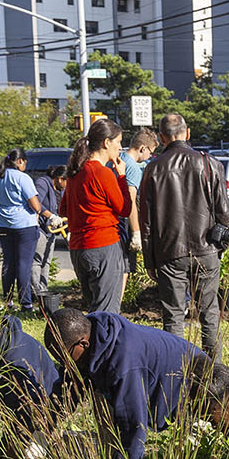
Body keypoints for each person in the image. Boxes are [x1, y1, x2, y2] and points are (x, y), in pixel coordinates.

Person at [44, 307, 208, 459]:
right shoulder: (91, 331)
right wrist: (42, 429)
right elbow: (68, 388)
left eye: (63, 357)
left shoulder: (123, 363)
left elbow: (133, 423)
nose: (63, 363)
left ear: (83, 344)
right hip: (152, 375)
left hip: (192, 385)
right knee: (99, 394)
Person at [138, 112, 229, 359]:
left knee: (173, 317)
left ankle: (176, 375)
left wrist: (150, 261)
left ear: (161, 137)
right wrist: (218, 244)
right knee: (209, 313)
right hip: (206, 250)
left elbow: (145, 223)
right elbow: (226, 214)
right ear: (187, 133)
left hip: (169, 252)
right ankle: (215, 374)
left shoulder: (152, 169)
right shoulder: (210, 164)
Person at [60, 119, 132, 315]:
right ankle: (106, 346)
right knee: (107, 313)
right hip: (103, 245)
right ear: (106, 143)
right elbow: (125, 209)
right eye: (118, 141)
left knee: (93, 309)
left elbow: (63, 209)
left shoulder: (75, 173)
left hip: (78, 248)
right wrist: (122, 177)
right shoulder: (103, 173)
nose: (120, 147)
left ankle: (92, 344)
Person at [0, 150, 46, 311]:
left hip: (2, 223)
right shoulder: (22, 178)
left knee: (8, 261)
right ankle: (26, 303)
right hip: (24, 225)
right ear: (20, 161)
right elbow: (36, 206)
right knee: (23, 263)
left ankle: (8, 301)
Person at [118, 126, 157, 273]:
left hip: (112, 220)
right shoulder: (133, 168)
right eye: (150, 152)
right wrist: (136, 232)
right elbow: (131, 201)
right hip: (124, 223)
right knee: (125, 269)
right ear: (143, 148)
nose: (150, 156)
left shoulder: (118, 159)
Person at [32, 165, 64, 294]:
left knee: (47, 260)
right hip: (39, 227)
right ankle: (35, 291)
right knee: (37, 260)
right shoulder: (43, 183)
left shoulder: (60, 190)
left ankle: (43, 290)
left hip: (51, 229)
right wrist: (50, 216)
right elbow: (36, 203)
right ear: (60, 179)